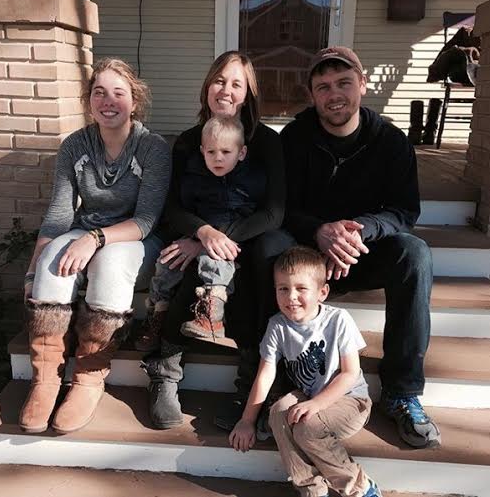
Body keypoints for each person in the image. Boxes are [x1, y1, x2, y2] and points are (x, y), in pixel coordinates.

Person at [280, 46, 440, 449]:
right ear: (312, 95)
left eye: (343, 83)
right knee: (268, 248)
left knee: (415, 254)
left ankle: (402, 390)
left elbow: (404, 211)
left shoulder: (391, 142)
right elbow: (281, 208)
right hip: (309, 257)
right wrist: (319, 232)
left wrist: (362, 230)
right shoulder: (294, 139)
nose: (334, 94)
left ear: (362, 85)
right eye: (323, 86)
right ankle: (277, 380)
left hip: (362, 252)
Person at [140, 51, 294, 430]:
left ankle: (252, 386)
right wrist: (202, 234)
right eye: (219, 80)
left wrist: (217, 240)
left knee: (263, 263)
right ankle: (165, 372)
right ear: (207, 87)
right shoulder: (188, 142)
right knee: (185, 262)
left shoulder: (267, 143)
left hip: (252, 237)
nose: (226, 90)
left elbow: (273, 213)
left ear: (248, 94)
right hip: (201, 234)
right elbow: (173, 208)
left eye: (236, 83)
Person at [19, 58, 171, 435]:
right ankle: (47, 376)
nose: (108, 101)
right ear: (89, 101)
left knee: (111, 261)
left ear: (134, 102)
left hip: (136, 240)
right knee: (55, 255)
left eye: (118, 93)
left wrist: (95, 239)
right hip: (86, 231)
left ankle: (88, 376)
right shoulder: (75, 146)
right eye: (99, 92)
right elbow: (58, 215)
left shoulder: (152, 148)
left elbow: (147, 220)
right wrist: (33, 269)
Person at [230, 247, 382, 497]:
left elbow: (349, 374)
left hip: (350, 401)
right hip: (309, 396)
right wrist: (247, 421)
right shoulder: (277, 325)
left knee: (306, 426)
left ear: (322, 292)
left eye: (301, 288)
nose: (291, 297)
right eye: (283, 288)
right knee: (278, 413)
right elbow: (265, 375)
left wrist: (317, 404)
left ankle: (359, 487)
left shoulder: (338, 320)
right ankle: (312, 489)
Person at [136, 116, 259, 350]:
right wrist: (195, 237)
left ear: (241, 153)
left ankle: (212, 313)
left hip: (230, 242)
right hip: (196, 235)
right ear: (202, 151)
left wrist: (215, 240)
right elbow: (182, 213)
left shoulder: (251, 181)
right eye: (211, 152)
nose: (218, 158)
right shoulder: (194, 179)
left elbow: (254, 217)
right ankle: (157, 312)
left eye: (226, 151)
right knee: (167, 260)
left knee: (212, 259)